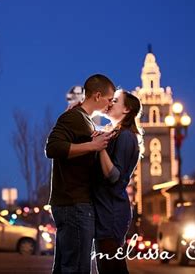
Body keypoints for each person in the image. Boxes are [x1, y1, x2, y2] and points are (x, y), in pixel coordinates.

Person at [45, 74, 116, 274]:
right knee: (76, 268)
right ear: (98, 95)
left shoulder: (83, 119)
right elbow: (52, 148)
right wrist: (92, 145)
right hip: (74, 204)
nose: (110, 105)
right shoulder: (73, 117)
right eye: (109, 100)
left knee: (67, 267)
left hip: (75, 204)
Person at [92, 90, 144, 274]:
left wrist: (100, 148)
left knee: (111, 269)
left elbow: (114, 176)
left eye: (115, 101)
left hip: (111, 213)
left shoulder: (126, 136)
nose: (110, 103)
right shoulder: (116, 133)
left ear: (126, 109)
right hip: (106, 210)